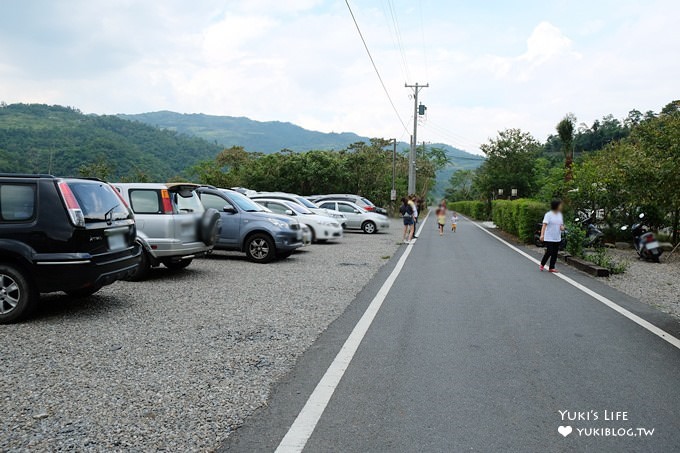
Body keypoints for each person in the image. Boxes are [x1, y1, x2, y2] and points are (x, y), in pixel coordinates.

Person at [540, 199, 565, 273]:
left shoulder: (560, 215)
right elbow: (544, 225)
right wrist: (542, 235)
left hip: (557, 236)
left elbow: (561, 225)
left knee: (555, 252)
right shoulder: (548, 215)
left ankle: (551, 267)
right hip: (549, 237)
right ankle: (542, 264)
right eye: (560, 205)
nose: (561, 207)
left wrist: (562, 228)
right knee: (549, 251)